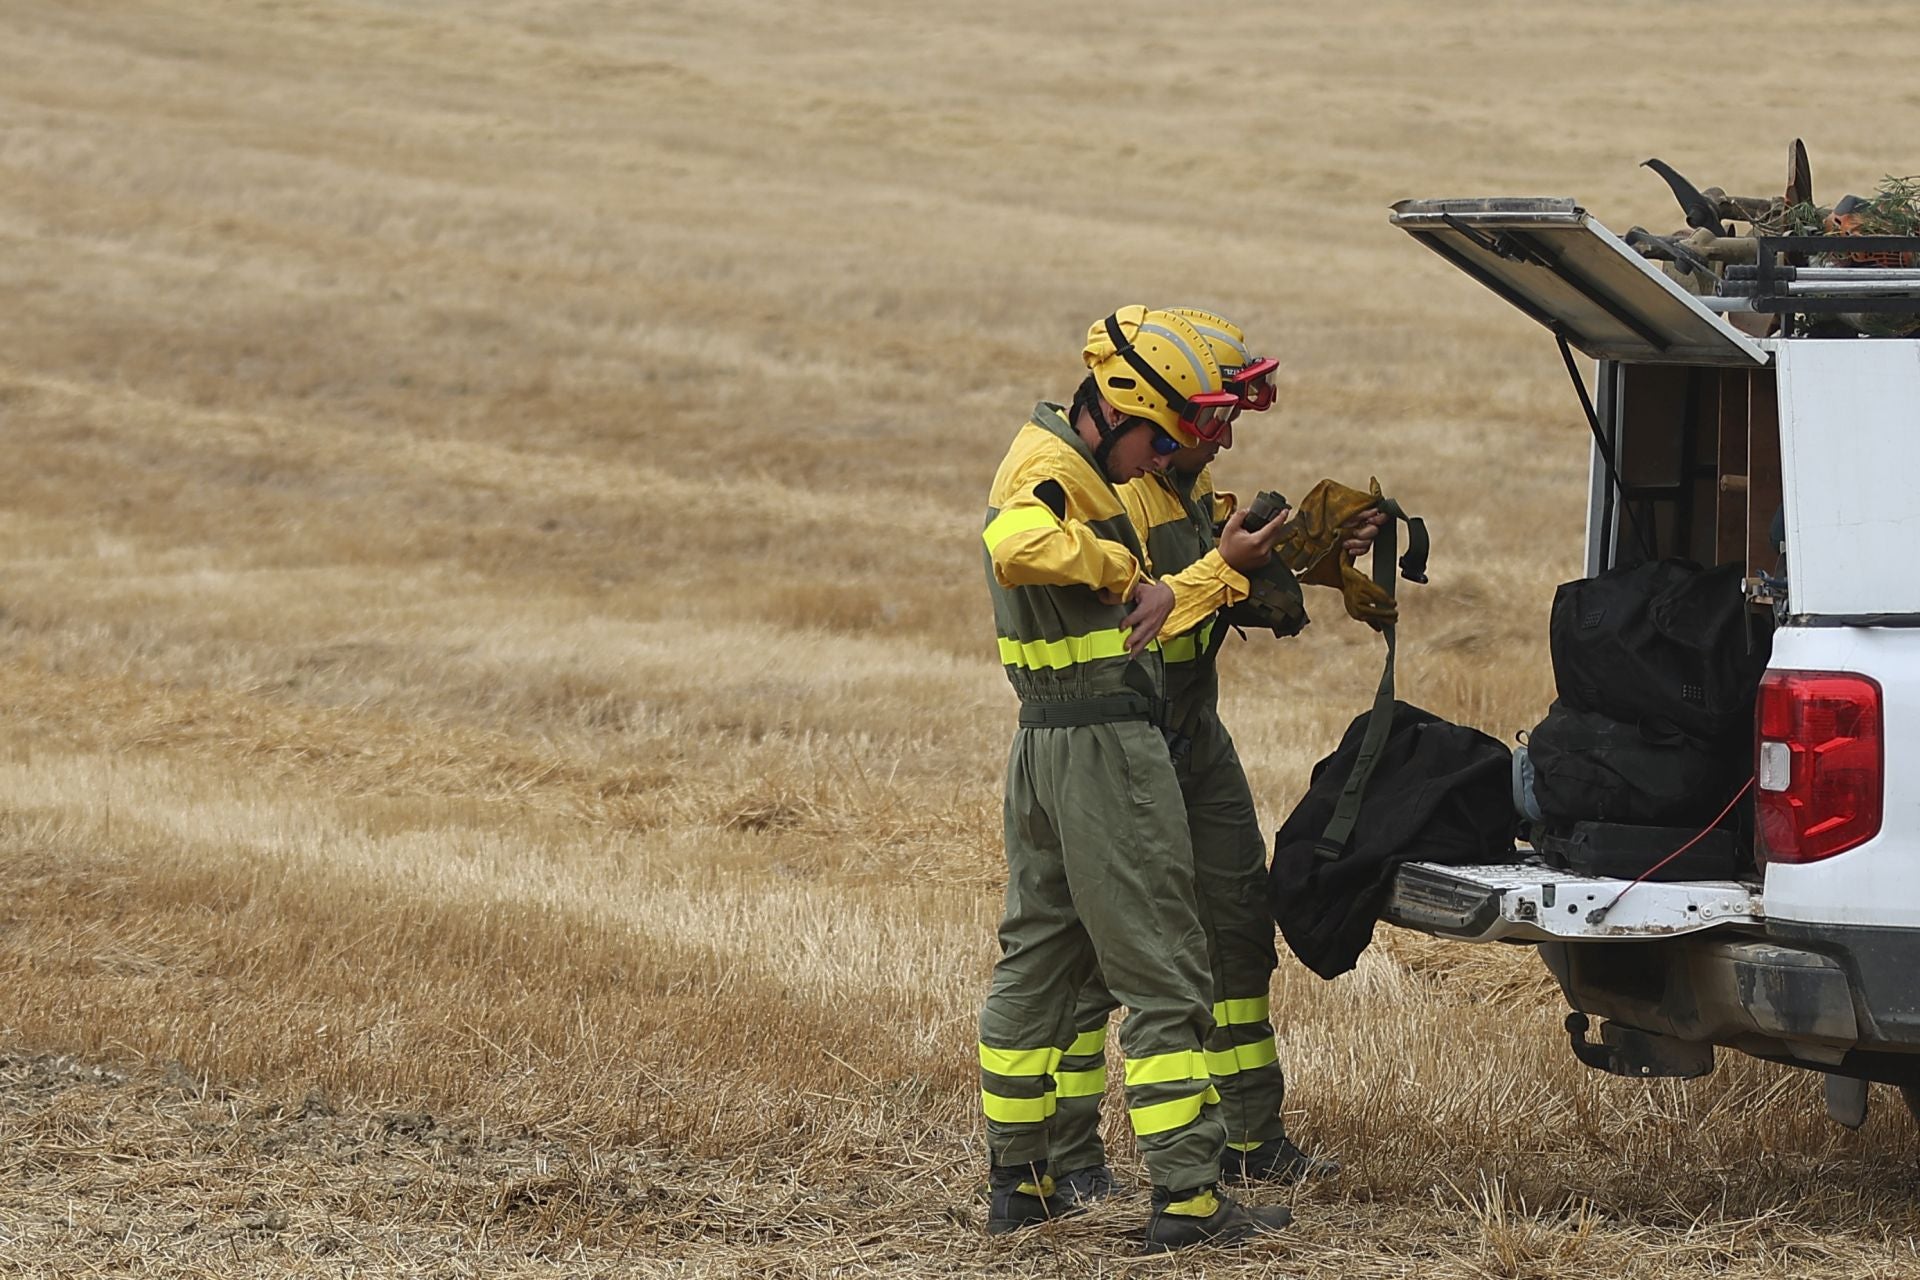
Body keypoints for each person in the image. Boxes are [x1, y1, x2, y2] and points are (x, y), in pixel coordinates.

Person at [1044, 310, 1379, 1204]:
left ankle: (1250, 1136)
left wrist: (1315, 546)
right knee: (1112, 955)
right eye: (1209, 418)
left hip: (1198, 736)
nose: (1223, 434)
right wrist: (1226, 571)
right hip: (1127, 737)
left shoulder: (1187, 484)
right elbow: (1133, 627)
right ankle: (1064, 1157)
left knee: (1236, 928)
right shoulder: (1106, 495)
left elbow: (1228, 557)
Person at [978, 306, 1295, 1250]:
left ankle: (1021, 1184)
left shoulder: (1081, 468)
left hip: (1049, 744)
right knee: (1165, 971)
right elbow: (1013, 543)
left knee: (1038, 960)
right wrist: (1128, 575)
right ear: (1119, 409)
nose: (1172, 456)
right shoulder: (1051, 469)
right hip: (1108, 747)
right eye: (1170, 433)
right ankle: (1191, 1201)